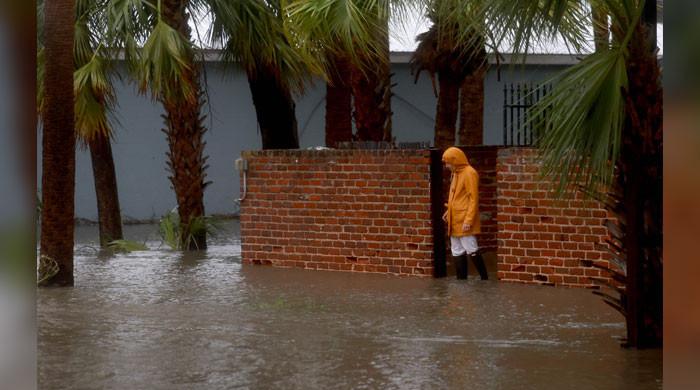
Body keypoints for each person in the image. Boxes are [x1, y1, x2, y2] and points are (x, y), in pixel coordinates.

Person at [441, 147, 488, 280]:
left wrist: (468, 220)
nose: (446, 166)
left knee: (471, 247)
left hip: (464, 218)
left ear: (455, 161)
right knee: (456, 250)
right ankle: (461, 281)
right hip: (454, 218)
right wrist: (448, 211)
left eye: (448, 162)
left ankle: (484, 278)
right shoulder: (456, 173)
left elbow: (473, 199)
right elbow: (457, 197)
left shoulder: (469, 173)